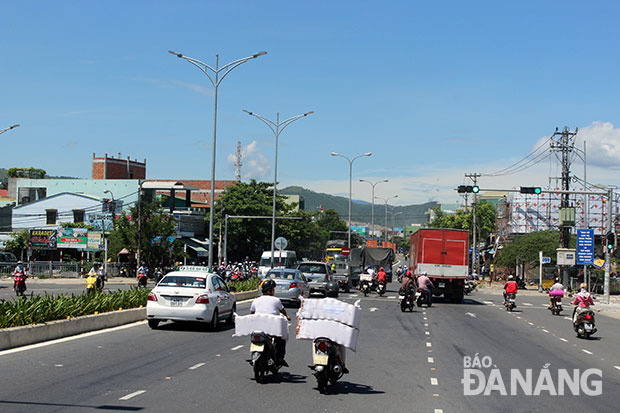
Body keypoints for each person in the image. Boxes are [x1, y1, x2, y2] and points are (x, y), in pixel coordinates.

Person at [250, 279, 290, 367]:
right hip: (272, 327)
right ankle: (280, 358)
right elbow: (282, 310)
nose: (274, 291)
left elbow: (252, 313)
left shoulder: (256, 300)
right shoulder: (276, 300)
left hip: (258, 327)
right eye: (273, 289)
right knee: (281, 339)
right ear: (269, 290)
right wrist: (287, 316)